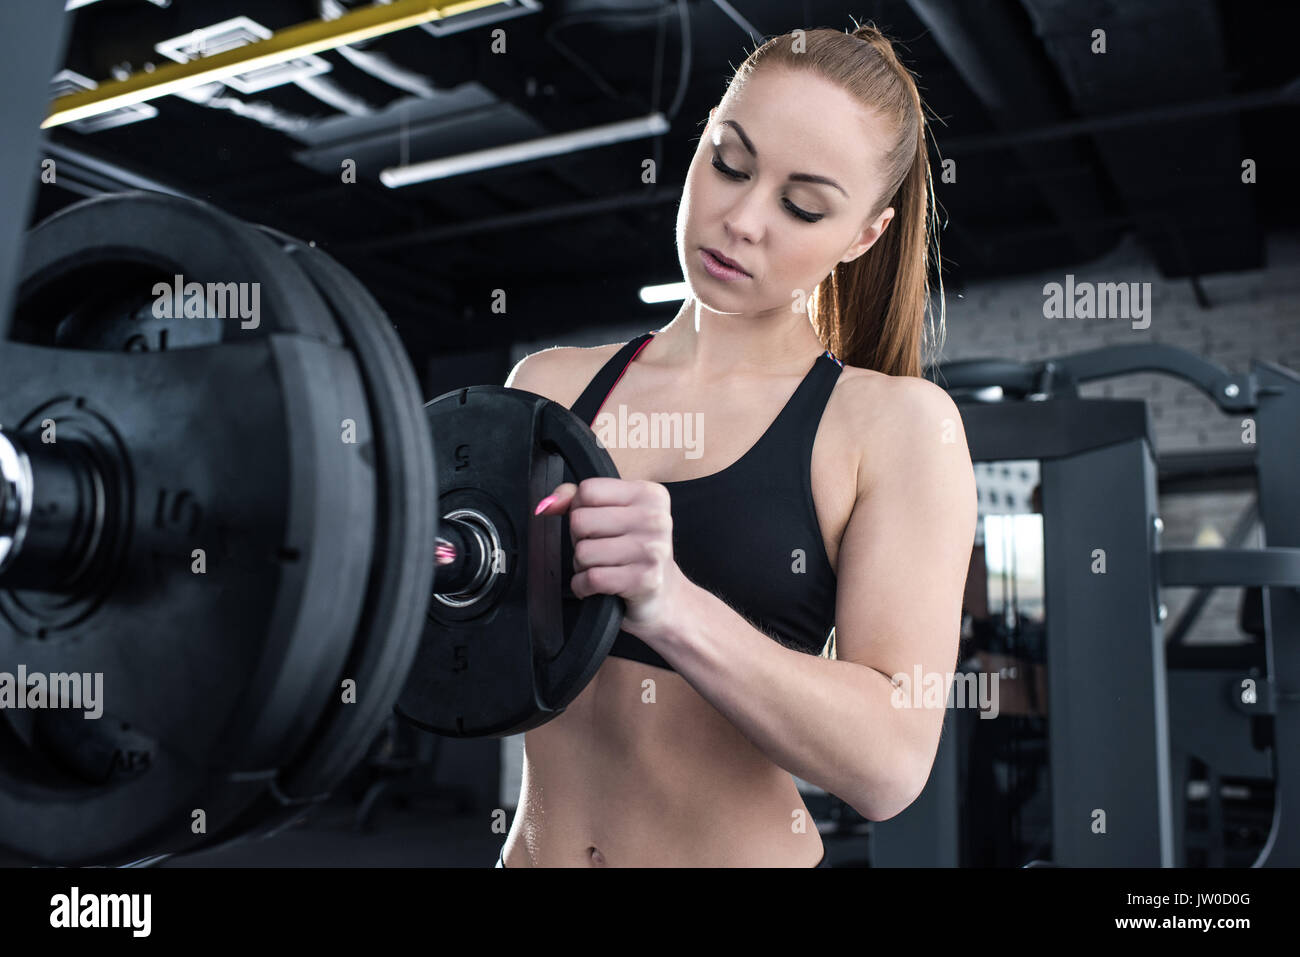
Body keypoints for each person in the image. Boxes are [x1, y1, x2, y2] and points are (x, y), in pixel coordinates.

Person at [496, 22, 976, 867]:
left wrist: (672, 605)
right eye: (728, 160)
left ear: (863, 236)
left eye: (802, 205)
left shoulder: (893, 424)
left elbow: (892, 765)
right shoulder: (547, 386)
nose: (743, 219)